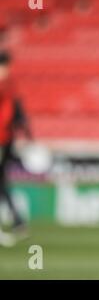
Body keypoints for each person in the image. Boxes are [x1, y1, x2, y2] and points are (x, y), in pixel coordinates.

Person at [0, 51, 32, 241]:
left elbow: (11, 112)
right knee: (2, 181)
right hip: (6, 138)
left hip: (2, 138)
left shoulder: (5, 83)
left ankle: (17, 219)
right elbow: (16, 110)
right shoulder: (8, 83)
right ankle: (18, 220)